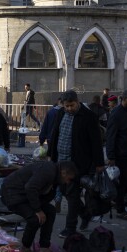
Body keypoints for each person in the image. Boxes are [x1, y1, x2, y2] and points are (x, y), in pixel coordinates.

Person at [47, 90, 105, 237]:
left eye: (71, 105)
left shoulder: (88, 116)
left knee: (72, 194)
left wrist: (99, 163)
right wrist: (50, 154)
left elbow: (95, 142)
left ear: (77, 102)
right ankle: (85, 214)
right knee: (66, 192)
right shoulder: (61, 113)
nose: (69, 109)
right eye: (66, 106)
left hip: (78, 163)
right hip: (60, 161)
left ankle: (70, 228)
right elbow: (55, 134)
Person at [1, 161, 76, 252]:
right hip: (13, 195)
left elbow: (43, 195)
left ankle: (44, 247)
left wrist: (40, 208)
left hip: (26, 196)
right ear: (64, 172)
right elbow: (30, 188)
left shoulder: (55, 176)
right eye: (68, 179)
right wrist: (38, 210)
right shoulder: (48, 171)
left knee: (50, 211)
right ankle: (25, 247)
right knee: (35, 219)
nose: (67, 182)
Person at [106, 89, 127, 221]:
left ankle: (116, 199)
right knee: (123, 181)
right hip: (121, 154)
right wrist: (111, 156)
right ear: (124, 99)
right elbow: (111, 136)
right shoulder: (116, 114)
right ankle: (120, 209)